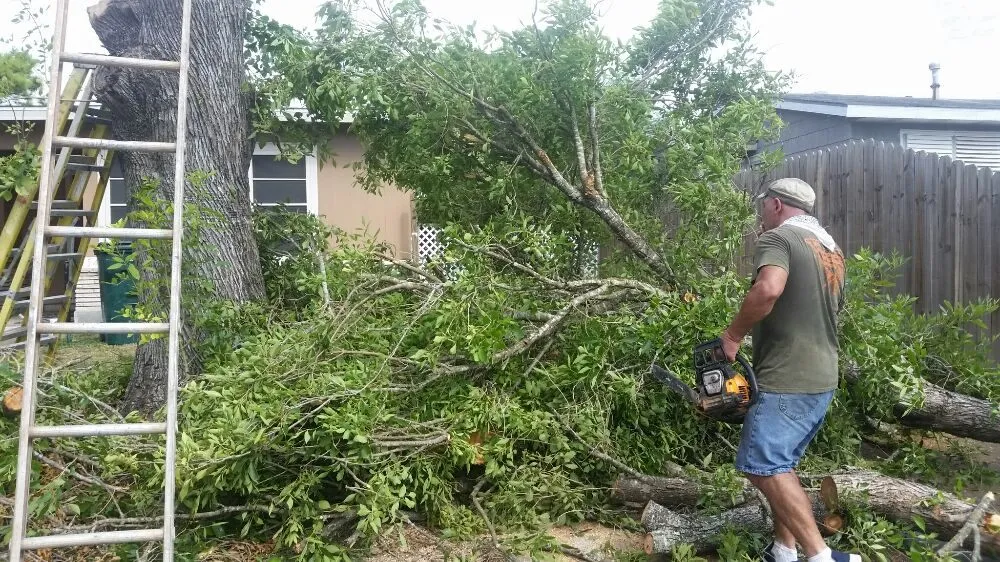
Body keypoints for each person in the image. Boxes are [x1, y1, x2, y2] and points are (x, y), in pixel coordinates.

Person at [719, 178, 857, 562]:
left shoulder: (778, 239)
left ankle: (819, 556)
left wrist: (731, 337)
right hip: (823, 376)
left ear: (777, 205)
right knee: (782, 465)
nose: (761, 213)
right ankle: (784, 550)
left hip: (788, 378)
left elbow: (768, 289)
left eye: (764, 205)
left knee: (762, 465)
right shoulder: (830, 249)